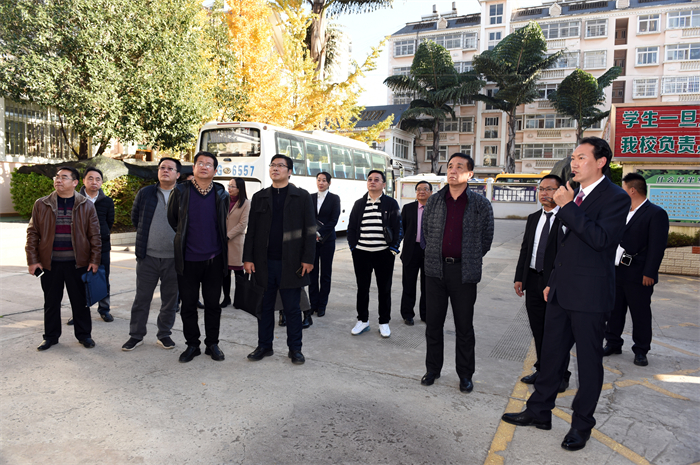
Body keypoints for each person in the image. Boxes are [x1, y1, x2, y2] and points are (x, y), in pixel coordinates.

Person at [502, 137, 630, 452]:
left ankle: (581, 426)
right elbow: (564, 246)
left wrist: (568, 206)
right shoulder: (574, 195)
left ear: (601, 161)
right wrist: (553, 281)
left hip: (590, 296)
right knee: (551, 356)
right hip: (560, 291)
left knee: (588, 364)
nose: (574, 163)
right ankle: (539, 411)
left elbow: (600, 240)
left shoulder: (615, 198)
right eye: (573, 158)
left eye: (581, 157)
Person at [420, 153, 494, 394]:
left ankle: (465, 375)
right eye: (450, 166)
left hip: (464, 273)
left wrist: (469, 256)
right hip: (435, 271)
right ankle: (433, 369)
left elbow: (486, 239)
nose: (452, 171)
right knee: (433, 325)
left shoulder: (480, 204)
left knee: (464, 327)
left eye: (459, 167)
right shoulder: (434, 201)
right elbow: (427, 233)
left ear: (470, 174)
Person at [243, 154, 316, 365]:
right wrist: (248, 258)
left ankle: (295, 349)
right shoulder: (260, 197)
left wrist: (308, 258)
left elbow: (310, 230)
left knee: (292, 309)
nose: (275, 169)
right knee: (264, 307)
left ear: (289, 171)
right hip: (263, 263)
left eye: (280, 166)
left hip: (291, 263)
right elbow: (252, 230)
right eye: (273, 165)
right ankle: (264, 346)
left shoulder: (301, 197)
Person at [26, 166, 101, 351]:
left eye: (64, 177)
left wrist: (94, 260)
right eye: (57, 177)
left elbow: (94, 235)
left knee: (80, 302)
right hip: (50, 264)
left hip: (78, 264)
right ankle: (50, 337)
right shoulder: (41, 204)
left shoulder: (86, 205)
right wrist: (32, 260)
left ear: (75, 182)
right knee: (51, 302)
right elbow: (33, 233)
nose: (58, 180)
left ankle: (84, 335)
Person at [168, 152, 229, 363]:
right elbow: (173, 220)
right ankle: (192, 345)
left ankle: (212, 344)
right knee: (188, 305)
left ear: (215, 170)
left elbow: (222, 222)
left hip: (215, 259)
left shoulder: (221, 193)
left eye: (208, 164)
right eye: (200, 163)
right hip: (188, 259)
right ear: (193, 168)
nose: (204, 167)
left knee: (213, 305)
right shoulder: (180, 191)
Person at [604, 173, 669, 367]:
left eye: (622, 188)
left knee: (640, 313)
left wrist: (650, 272)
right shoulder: (622, 211)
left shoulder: (655, 213)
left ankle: (641, 350)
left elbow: (657, 246)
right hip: (616, 271)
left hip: (639, 274)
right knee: (614, 310)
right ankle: (613, 343)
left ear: (632, 190)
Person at [514, 174, 570, 392]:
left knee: (558, 332)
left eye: (549, 189)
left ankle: (562, 374)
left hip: (555, 283)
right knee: (538, 330)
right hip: (533, 280)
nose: (544, 193)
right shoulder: (534, 218)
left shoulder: (567, 218)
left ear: (560, 191)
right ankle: (542, 369)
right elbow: (526, 249)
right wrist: (519, 277)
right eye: (541, 189)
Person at [121, 157, 182, 352]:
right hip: (148, 257)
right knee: (142, 298)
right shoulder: (146, 193)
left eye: (170, 168)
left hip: (174, 258)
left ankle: (164, 334)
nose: (165, 170)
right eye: (162, 167)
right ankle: (136, 335)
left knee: (170, 300)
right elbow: (136, 218)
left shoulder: (184, 194)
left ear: (178, 174)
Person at [347, 170, 402, 338]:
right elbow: (351, 227)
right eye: (370, 179)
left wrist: (393, 248)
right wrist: (353, 247)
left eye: (377, 179)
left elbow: (399, 227)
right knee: (362, 288)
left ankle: (384, 322)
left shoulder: (391, 203)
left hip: (383, 253)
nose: (372, 182)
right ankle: (362, 320)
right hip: (362, 253)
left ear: (383, 184)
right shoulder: (359, 204)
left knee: (384, 289)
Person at [75, 167, 115, 324]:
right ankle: (78, 311)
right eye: (90, 178)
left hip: (102, 246)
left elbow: (109, 222)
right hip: (79, 247)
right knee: (77, 280)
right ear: (83, 181)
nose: (94, 182)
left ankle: (104, 309)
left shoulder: (107, 201)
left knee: (102, 278)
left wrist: (101, 235)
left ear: (101, 182)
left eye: (98, 179)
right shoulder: (74, 200)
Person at [308, 171, 341, 326]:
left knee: (325, 273)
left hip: (327, 240)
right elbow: (307, 217)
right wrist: (311, 233)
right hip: (312, 241)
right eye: (319, 180)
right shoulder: (310, 197)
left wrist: (319, 233)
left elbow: (334, 220)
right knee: (312, 272)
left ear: (329, 183)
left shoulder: (334, 198)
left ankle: (322, 305)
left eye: (324, 180)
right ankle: (313, 304)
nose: (320, 183)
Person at [399, 180, 432, 326]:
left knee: (428, 286)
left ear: (431, 192)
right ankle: (407, 314)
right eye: (418, 189)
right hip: (411, 251)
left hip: (429, 252)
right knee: (408, 285)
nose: (421, 191)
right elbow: (402, 229)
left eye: (425, 189)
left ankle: (425, 314)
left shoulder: (435, 209)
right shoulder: (408, 208)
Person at [221, 177, 251, 308]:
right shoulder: (224, 201)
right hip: (223, 243)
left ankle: (240, 299)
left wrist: (227, 236)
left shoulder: (246, 203)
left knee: (239, 274)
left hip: (236, 243)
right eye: (229, 185)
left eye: (232, 186)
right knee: (225, 273)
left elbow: (242, 224)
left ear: (239, 188)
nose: (229, 188)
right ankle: (226, 298)